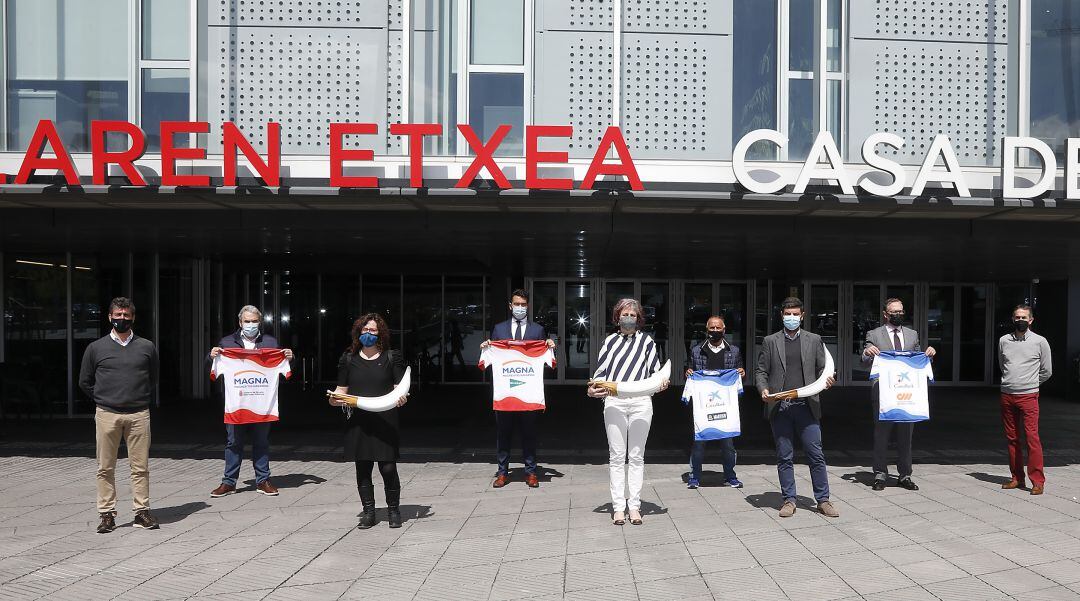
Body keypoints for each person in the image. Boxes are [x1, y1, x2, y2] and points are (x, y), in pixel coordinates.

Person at [78, 297, 160, 533]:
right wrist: (105, 397)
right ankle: (106, 515)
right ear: (109, 317)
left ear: (133, 318)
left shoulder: (147, 346)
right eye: (117, 315)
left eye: (126, 315)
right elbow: (84, 381)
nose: (121, 319)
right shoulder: (96, 348)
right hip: (107, 414)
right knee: (105, 467)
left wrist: (137, 395)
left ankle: (141, 512)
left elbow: (153, 378)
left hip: (138, 415)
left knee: (140, 467)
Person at [755, 297, 838, 518]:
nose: (791, 318)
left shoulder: (814, 340)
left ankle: (823, 500)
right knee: (784, 455)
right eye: (787, 314)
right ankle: (789, 500)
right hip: (780, 407)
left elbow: (824, 369)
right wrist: (763, 389)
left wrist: (828, 380)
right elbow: (761, 371)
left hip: (807, 406)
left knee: (816, 454)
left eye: (795, 314)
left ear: (802, 316)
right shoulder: (770, 341)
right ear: (781, 315)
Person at [588, 298, 668, 526]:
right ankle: (618, 508)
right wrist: (592, 390)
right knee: (616, 456)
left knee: (636, 456)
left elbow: (655, 372)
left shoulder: (647, 342)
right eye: (625, 314)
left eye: (633, 315)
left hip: (642, 402)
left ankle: (634, 506)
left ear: (639, 318)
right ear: (617, 316)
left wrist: (662, 382)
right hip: (615, 402)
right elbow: (600, 374)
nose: (629, 318)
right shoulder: (609, 342)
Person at [329, 314, 409, 528]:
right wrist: (334, 399)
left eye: (372, 331)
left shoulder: (392, 358)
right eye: (365, 331)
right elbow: (341, 391)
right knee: (362, 468)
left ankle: (393, 510)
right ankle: (369, 512)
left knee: (388, 468)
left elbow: (399, 390)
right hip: (358, 422)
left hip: (385, 419)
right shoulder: (348, 359)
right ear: (358, 333)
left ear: (380, 333)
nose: (368, 334)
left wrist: (401, 399)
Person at [207, 305, 294, 498]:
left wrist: (289, 357)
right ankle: (228, 483)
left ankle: (263, 480)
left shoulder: (271, 342)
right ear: (240, 322)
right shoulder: (227, 343)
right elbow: (213, 367)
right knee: (233, 443)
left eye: (254, 321)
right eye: (247, 321)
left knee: (261, 442)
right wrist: (211, 356)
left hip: (262, 405)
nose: (251, 324)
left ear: (260, 322)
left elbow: (285, 369)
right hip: (236, 404)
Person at [481, 289, 555, 488]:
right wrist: (487, 347)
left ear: (528, 306)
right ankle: (502, 472)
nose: (520, 308)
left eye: (523, 304)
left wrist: (548, 345)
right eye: (517, 304)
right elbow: (494, 357)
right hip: (506, 393)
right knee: (503, 434)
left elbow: (544, 361)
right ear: (510, 305)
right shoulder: (498, 329)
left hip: (527, 393)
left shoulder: (537, 330)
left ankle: (531, 472)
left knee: (529, 433)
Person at [861, 298, 935, 491]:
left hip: (907, 393)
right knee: (881, 435)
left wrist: (929, 355)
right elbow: (864, 359)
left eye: (901, 311)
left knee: (906, 436)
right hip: (884, 393)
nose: (898, 315)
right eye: (894, 312)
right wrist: (868, 352)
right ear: (885, 314)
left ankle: (905, 475)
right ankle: (880, 474)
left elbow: (919, 360)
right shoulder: (874, 334)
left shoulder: (912, 335)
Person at [684, 315, 745, 489]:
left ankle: (730, 476)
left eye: (718, 328)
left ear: (724, 330)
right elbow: (690, 369)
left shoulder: (734, 351)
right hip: (704, 405)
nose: (715, 331)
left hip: (725, 405)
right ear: (707, 329)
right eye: (712, 328)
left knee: (728, 444)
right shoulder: (696, 351)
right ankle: (694, 477)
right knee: (699, 442)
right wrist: (688, 372)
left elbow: (740, 371)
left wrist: (740, 372)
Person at [998, 304, 1052, 495]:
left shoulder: (1040, 342)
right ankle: (1016, 478)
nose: (1020, 320)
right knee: (1012, 439)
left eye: (1024, 317)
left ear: (1031, 320)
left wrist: (1030, 383)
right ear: (1013, 319)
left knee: (1032, 438)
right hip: (1007, 395)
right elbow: (1002, 364)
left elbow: (1047, 371)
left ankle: (1037, 481)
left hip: (1029, 395)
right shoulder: (1004, 341)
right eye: (1017, 317)